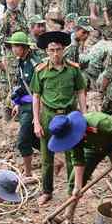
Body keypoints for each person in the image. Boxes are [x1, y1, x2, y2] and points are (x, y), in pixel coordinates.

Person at [31, 31, 87, 205]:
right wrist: (37, 121)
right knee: (47, 157)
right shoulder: (40, 71)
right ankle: (47, 191)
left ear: (64, 50)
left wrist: (84, 116)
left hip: (70, 116)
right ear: (46, 51)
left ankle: (72, 190)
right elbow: (36, 96)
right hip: (48, 116)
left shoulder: (73, 70)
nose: (55, 54)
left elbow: (80, 92)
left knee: (72, 154)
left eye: (59, 50)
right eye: (52, 50)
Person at [47, 111, 112, 224]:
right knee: (74, 181)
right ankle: (67, 216)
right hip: (93, 147)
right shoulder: (72, 140)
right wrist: (77, 186)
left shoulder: (99, 122)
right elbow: (78, 160)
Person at [4, 31, 42, 181]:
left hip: (34, 105)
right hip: (25, 104)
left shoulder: (35, 64)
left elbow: (40, 89)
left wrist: (38, 112)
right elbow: (22, 84)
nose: (13, 49)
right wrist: (17, 103)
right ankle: (56, 160)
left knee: (22, 141)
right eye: (12, 46)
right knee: (32, 139)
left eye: (16, 46)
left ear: (24, 47)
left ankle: (28, 173)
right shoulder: (22, 61)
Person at [0, 0, 29, 120]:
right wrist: (15, 42)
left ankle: (19, 115)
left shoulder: (21, 14)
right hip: (11, 56)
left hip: (23, 54)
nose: (12, 0)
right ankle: (9, 119)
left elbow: (26, 31)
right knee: (11, 87)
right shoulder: (4, 18)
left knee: (21, 83)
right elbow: (0, 38)